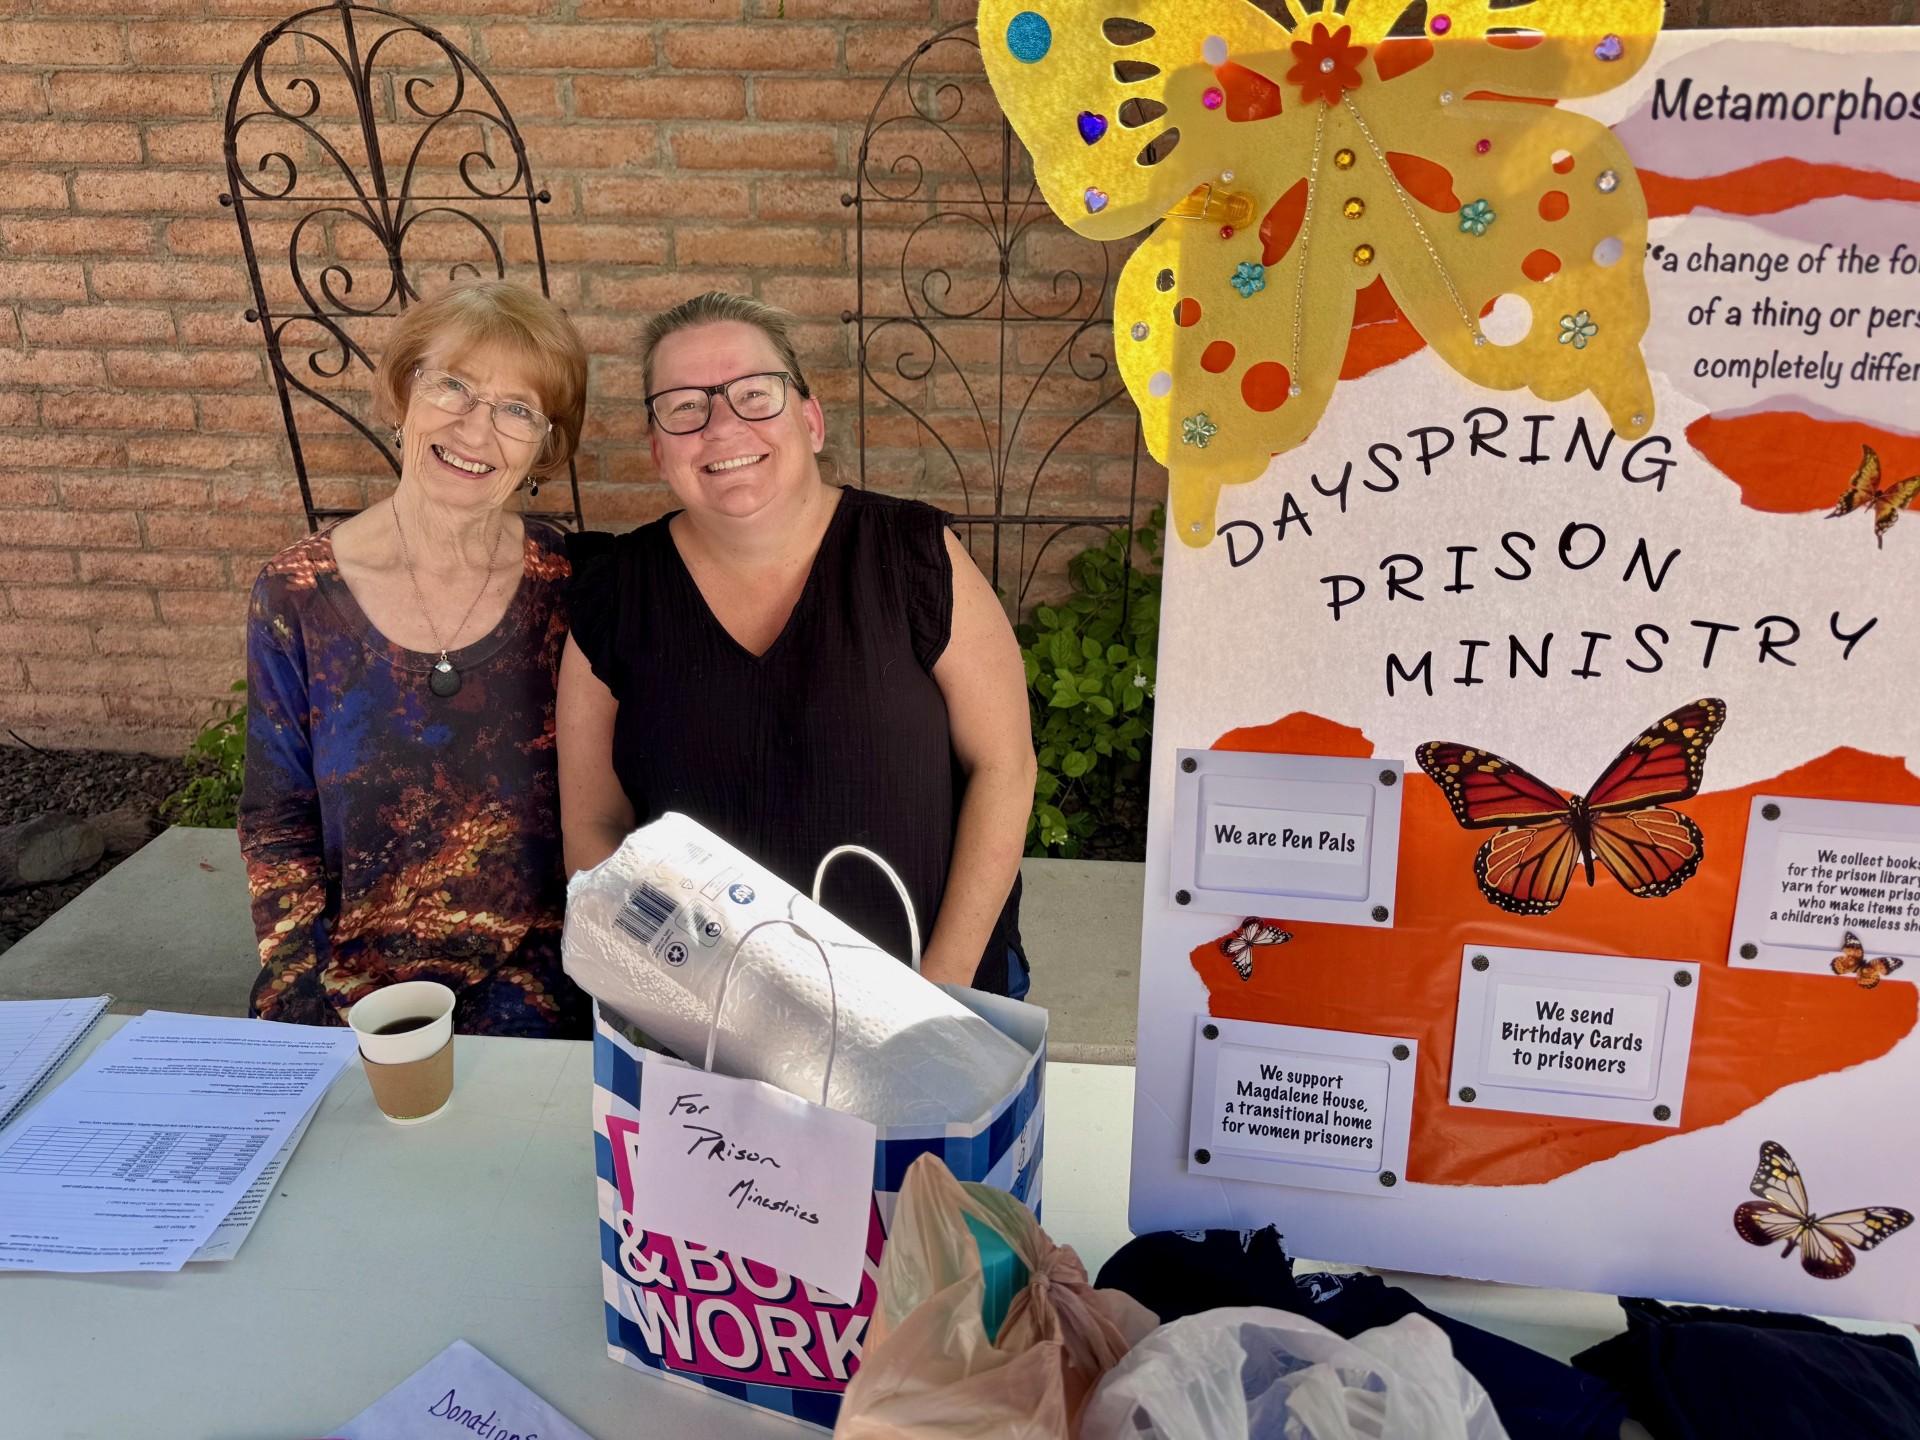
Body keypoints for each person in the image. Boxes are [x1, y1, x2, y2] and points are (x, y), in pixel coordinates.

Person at [558, 292, 1036, 995]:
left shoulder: (913, 556)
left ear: (810, 420)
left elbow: (1005, 767)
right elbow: (593, 828)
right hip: (704, 1020)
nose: (723, 426)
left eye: (755, 394)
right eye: (685, 407)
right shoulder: (613, 596)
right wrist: (683, 996)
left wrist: (936, 998)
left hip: (930, 991)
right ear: (659, 450)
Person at [239, 279, 591, 1036]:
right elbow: (277, 820)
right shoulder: (297, 593)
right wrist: (304, 999)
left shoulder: (572, 585)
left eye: (517, 409)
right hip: (352, 996)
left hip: (540, 998)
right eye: (453, 386)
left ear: (544, 446)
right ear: (403, 394)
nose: (475, 428)